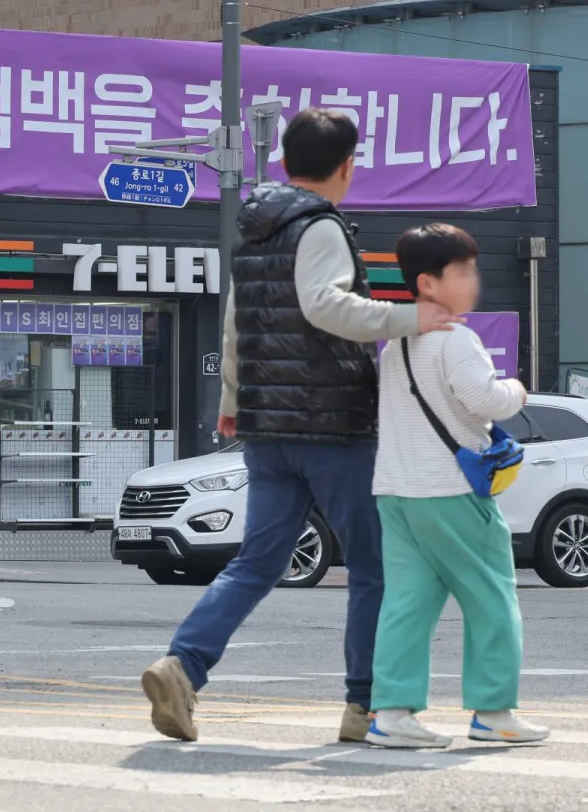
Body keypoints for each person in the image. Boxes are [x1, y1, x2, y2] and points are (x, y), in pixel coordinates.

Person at [141, 108, 462, 744]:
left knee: (257, 561)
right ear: (346, 167)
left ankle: (183, 665)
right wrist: (410, 318)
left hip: (267, 422)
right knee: (374, 568)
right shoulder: (321, 226)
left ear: (285, 161)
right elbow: (326, 307)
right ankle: (365, 705)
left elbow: (237, 321)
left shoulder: (256, 228)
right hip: (331, 422)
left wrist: (233, 398)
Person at [366, 224, 549, 748]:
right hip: (451, 490)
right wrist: (517, 389)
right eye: (462, 271)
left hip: (396, 490)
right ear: (426, 283)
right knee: (492, 598)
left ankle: (392, 715)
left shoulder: (396, 344)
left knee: (407, 604)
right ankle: (493, 712)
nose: (474, 281)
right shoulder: (457, 339)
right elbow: (487, 400)